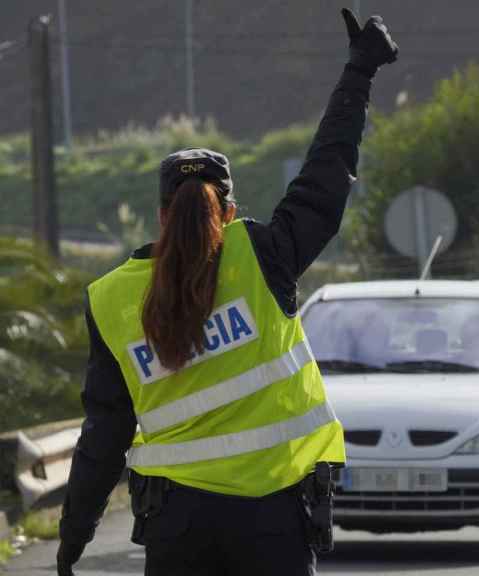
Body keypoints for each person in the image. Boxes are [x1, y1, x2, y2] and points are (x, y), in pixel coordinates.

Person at [55, 9, 398, 576]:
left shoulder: (111, 299)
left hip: (177, 529)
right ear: (230, 211)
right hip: (273, 520)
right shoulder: (263, 256)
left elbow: (104, 437)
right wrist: (359, 72)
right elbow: (326, 176)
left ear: (162, 215)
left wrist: (73, 540)